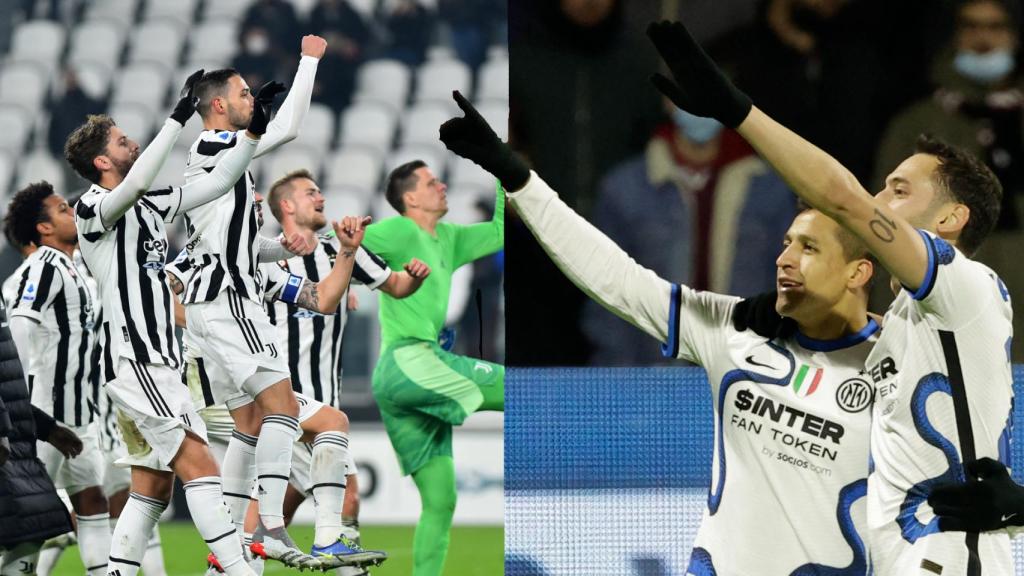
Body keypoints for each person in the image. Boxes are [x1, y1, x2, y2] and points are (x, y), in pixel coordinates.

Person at [440, 88, 885, 574]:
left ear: (858, 272)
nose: (784, 259)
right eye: (784, 243)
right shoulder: (732, 329)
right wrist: (520, 180)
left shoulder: (902, 360)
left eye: (809, 249)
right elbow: (617, 278)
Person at [644, 19, 1011, 574]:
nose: (877, 199)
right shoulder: (907, 322)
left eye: (899, 190)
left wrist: (739, 113)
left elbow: (839, 197)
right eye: (881, 186)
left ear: (951, 219)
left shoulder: (965, 285)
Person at [65, 69, 272, 576]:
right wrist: (179, 117)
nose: (130, 142)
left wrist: (253, 135)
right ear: (100, 162)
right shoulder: (90, 209)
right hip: (137, 358)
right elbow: (132, 186)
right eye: (120, 140)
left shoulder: (152, 204)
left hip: (157, 359)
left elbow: (221, 181)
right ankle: (234, 567)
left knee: (152, 487)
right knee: (200, 463)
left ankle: (118, 571)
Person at [181, 35, 327, 568]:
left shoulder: (212, 157)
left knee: (246, 424)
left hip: (208, 304)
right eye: (244, 93)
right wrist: (309, 60)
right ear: (219, 104)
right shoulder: (221, 147)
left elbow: (221, 238)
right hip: (229, 302)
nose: (251, 100)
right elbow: (287, 127)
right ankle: (270, 528)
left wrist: (272, 249)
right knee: (282, 409)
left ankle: (232, 548)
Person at [358, 150, 504, 576]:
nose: (442, 186)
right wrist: (349, 276)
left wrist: (502, 170)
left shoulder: (451, 239)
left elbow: (498, 230)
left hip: (398, 381)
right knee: (519, 388)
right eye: (430, 183)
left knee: (441, 500)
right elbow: (344, 246)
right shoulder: (402, 230)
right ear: (411, 200)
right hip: (410, 361)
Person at [585, 99, 795, 364]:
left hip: (746, 373)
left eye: (707, 90)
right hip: (651, 377)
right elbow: (606, 298)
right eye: (684, 90)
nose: (698, 103)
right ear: (665, 100)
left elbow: (789, 293)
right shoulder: (624, 190)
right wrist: (620, 386)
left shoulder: (769, 190)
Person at [3, 182, 111, 576]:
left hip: (82, 412)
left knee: (94, 504)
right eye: (63, 209)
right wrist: (24, 413)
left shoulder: (75, 266)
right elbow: (18, 328)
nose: (73, 214)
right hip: (45, 414)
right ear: (43, 229)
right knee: (30, 525)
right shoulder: (44, 267)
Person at [0, 293, 82, 575]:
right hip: (8, 448)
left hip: (17, 449)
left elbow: (7, 380)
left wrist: (46, 427)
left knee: (33, 528)